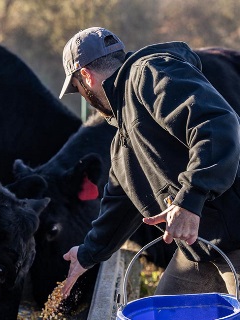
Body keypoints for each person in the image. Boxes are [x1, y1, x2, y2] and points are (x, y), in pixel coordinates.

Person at [59, 27, 240, 298]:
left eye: (77, 89)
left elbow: (215, 125)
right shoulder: (122, 143)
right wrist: (86, 255)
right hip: (200, 249)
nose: (84, 96)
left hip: (236, 236)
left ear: (85, 76)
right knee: (164, 310)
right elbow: (120, 206)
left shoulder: (148, 73)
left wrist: (190, 199)